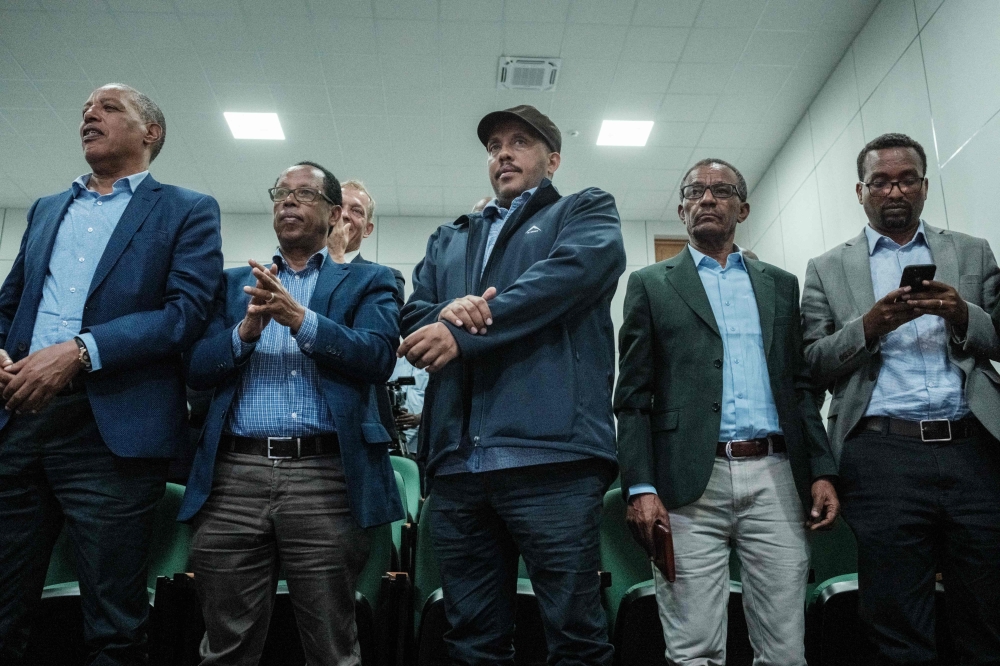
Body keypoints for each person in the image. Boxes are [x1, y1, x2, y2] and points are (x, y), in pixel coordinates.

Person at [0, 83, 223, 664]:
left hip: (112, 435)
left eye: (108, 108)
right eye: (84, 110)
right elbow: (11, 306)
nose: (88, 116)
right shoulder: (48, 208)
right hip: (20, 421)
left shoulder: (187, 209)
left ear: (150, 133)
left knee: (113, 623)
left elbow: (185, 314)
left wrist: (80, 350)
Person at [399, 105, 626, 665]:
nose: (503, 153)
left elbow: (567, 277)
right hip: (456, 466)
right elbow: (413, 314)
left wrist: (463, 332)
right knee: (471, 638)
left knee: (574, 634)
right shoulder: (448, 238)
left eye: (520, 142)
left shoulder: (584, 209)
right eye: (494, 145)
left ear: (552, 160)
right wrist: (447, 314)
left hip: (552, 459)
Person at [177, 162, 404, 665]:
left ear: (334, 212)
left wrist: (301, 321)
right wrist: (245, 335)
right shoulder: (233, 284)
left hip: (323, 477)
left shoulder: (371, 281)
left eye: (304, 193)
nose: (288, 201)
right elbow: (194, 367)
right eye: (281, 193)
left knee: (330, 643)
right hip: (233, 477)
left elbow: (377, 356)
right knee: (224, 645)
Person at [615, 158, 839, 666]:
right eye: (696, 191)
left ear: (743, 205)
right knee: (693, 649)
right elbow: (632, 395)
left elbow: (800, 385)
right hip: (688, 481)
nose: (708, 198)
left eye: (721, 190)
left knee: (785, 650)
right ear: (681, 209)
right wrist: (641, 486)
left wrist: (822, 469)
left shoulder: (779, 284)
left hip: (777, 477)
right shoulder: (651, 283)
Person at [801, 133, 1000, 665]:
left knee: (986, 614)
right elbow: (813, 363)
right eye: (881, 181)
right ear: (860, 191)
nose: (895, 190)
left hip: (974, 446)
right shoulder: (826, 267)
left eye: (906, 178)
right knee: (897, 623)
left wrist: (962, 314)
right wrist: (868, 327)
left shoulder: (972, 251)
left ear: (925, 186)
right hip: (882, 453)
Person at [388, 355, 428, 455]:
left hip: (421, 441)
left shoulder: (434, 358)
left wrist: (421, 418)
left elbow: (442, 399)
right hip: (390, 440)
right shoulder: (390, 355)